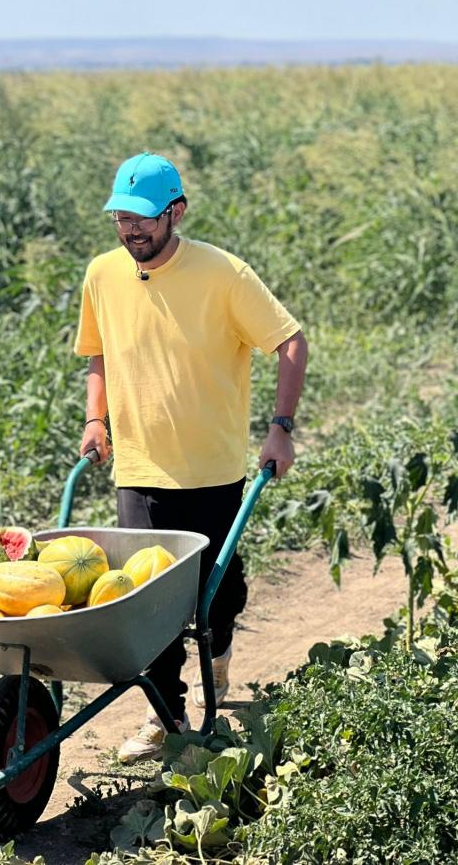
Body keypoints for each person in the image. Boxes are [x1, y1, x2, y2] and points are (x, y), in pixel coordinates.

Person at [74, 152, 307, 762]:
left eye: (144, 218)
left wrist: (280, 428)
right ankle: (167, 715)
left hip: (213, 471)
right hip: (140, 471)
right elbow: (97, 354)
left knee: (217, 598)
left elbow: (290, 341)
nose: (132, 230)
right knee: (147, 606)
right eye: (122, 218)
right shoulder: (102, 274)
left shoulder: (223, 274)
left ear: (176, 211)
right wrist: (96, 419)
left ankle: (220, 650)